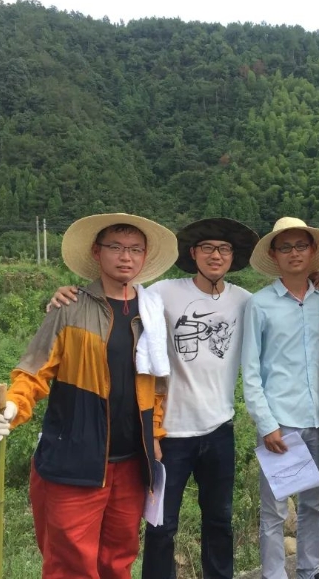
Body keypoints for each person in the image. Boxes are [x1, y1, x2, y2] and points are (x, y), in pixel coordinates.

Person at [49, 217, 260, 579]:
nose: (216, 255)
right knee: (161, 526)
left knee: (219, 520)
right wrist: (66, 294)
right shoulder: (162, 293)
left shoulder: (245, 300)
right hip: (169, 434)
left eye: (224, 249)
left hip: (219, 429)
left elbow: (281, 308)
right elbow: (117, 295)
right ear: (192, 253)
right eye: (207, 248)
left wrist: (316, 281)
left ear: (232, 256)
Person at [0, 213, 178, 579]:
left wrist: (154, 434)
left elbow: (158, 385)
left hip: (131, 462)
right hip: (74, 458)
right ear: (96, 252)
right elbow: (34, 371)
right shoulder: (69, 308)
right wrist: (12, 407)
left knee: (117, 560)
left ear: (144, 256)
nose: (126, 257)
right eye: (116, 247)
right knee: (70, 564)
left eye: (136, 249)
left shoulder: (152, 314)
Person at [241, 217, 319, 579]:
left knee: (314, 503)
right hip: (280, 423)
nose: (294, 253)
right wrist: (267, 424)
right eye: (285, 247)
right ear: (274, 254)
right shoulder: (260, 304)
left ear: (312, 252)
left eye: (301, 246)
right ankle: (274, 575)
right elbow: (251, 370)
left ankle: (310, 570)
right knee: (274, 510)